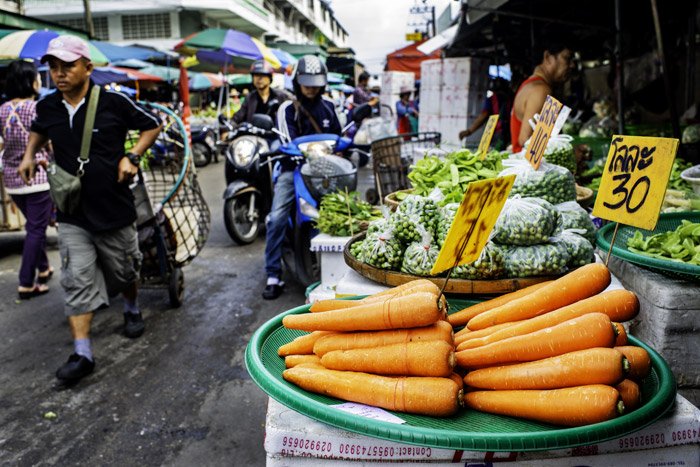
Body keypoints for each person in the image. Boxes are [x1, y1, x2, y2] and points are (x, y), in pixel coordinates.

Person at [18, 35, 163, 384]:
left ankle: (130, 306)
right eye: (53, 68)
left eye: (67, 66)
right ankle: (82, 353)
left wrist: (132, 156)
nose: (59, 73)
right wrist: (28, 155)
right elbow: (38, 132)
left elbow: (152, 125)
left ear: (88, 67)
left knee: (124, 271)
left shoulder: (113, 102)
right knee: (76, 278)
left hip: (114, 209)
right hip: (72, 213)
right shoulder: (48, 107)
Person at [265, 55, 341, 300]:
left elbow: (339, 139)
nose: (311, 87)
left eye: (315, 82)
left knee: (343, 215)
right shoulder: (287, 108)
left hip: (325, 173)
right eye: (306, 82)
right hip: (293, 171)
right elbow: (287, 141)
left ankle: (341, 267)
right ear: (297, 82)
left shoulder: (329, 107)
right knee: (276, 218)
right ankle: (273, 273)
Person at [0, 60, 54, 299]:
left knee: (35, 226)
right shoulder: (36, 109)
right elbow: (49, 143)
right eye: (38, 77)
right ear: (31, 82)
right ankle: (25, 282)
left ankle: (44, 268)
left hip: (11, 179)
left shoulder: (1, 110)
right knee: (36, 229)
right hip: (37, 177)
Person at [510, 39, 574, 153]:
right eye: (566, 58)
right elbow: (525, 141)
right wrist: (568, 153)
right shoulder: (541, 90)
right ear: (548, 57)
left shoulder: (530, 84)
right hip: (530, 169)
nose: (572, 65)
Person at [459, 77, 514, 150]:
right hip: (509, 133)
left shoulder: (492, 99)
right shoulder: (511, 98)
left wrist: (469, 131)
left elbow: (483, 116)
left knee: (495, 154)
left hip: (497, 133)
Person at [232, 60, 287, 125]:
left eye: (263, 75)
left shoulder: (280, 96)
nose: (259, 79)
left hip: (275, 133)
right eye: (256, 75)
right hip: (253, 133)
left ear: (270, 78)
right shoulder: (250, 98)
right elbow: (238, 116)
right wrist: (230, 124)